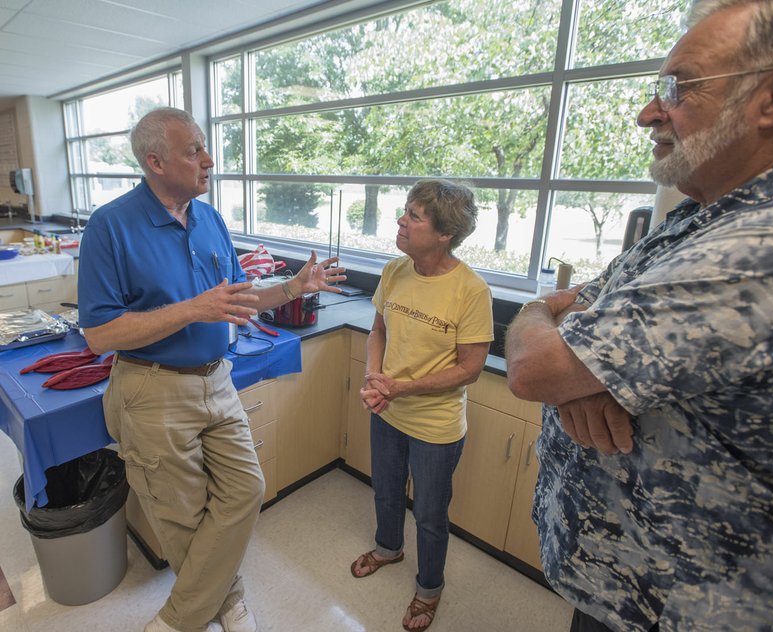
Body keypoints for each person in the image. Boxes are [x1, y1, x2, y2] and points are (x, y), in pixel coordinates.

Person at [505, 1, 773, 631]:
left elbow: (535, 366)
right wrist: (582, 379)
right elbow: (589, 305)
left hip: (687, 605)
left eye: (679, 88)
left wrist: (544, 320)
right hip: (627, 585)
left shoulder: (770, 245)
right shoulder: (703, 218)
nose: (648, 114)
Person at [77, 107, 346, 632]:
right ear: (154, 161)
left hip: (215, 379)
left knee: (246, 489)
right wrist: (192, 309)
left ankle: (180, 618)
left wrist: (293, 287)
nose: (209, 160)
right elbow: (99, 335)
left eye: (204, 147)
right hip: (151, 387)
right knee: (183, 516)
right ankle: (229, 602)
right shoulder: (110, 227)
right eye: (193, 150)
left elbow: (238, 301)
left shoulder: (210, 219)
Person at [350, 179, 493, 631]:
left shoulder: (471, 290)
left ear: (444, 233)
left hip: (436, 425)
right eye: (404, 212)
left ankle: (429, 589)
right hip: (388, 410)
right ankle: (389, 548)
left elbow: (470, 368)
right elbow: (379, 331)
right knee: (386, 490)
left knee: (430, 514)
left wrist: (399, 388)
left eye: (414, 216)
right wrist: (375, 378)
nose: (401, 221)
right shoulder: (396, 271)